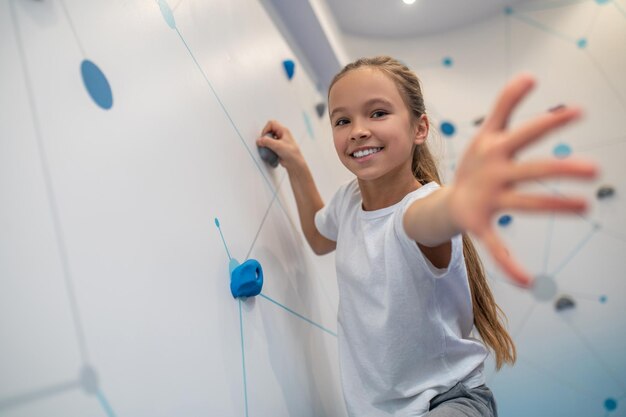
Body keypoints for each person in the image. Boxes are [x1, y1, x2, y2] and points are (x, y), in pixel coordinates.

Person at [255, 56, 597, 417]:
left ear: (419, 129)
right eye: (343, 120)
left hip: (449, 403)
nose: (357, 130)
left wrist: (461, 201)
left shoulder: (420, 210)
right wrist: (296, 164)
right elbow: (318, 237)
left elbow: (430, 219)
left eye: (377, 113)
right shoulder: (347, 202)